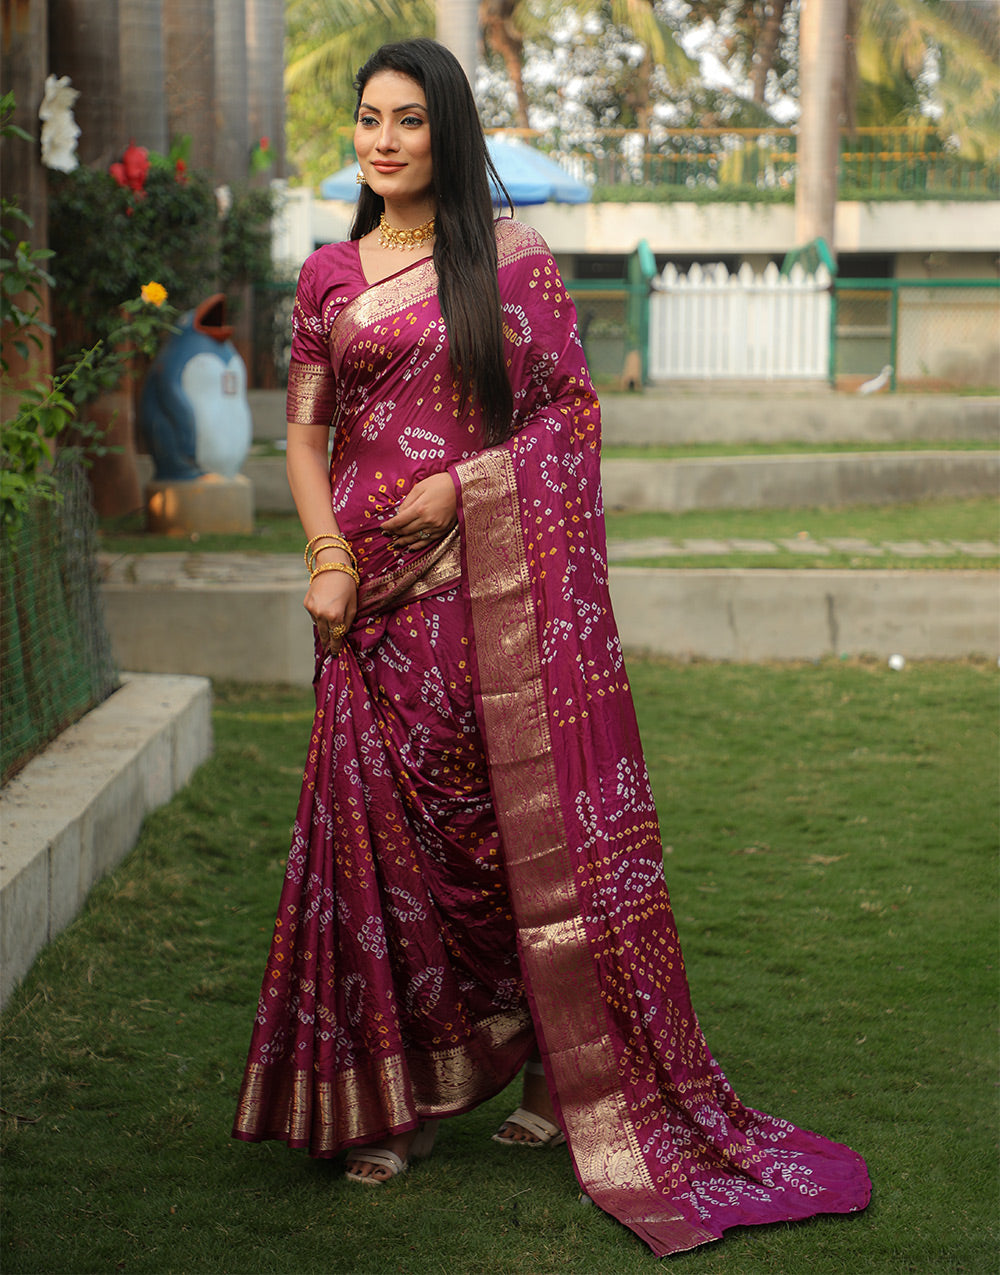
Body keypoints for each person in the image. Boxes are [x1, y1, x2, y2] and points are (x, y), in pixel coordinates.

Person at [232, 37, 871, 1257]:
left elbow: (569, 417)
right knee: (386, 852)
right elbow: (304, 440)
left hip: (486, 602)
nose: (382, 139)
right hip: (364, 601)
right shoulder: (326, 277)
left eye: (408, 120)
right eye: (367, 118)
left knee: (497, 834)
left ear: (446, 133)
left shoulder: (508, 269)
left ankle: (538, 1067)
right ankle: (403, 1098)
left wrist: (465, 489)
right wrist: (324, 557)